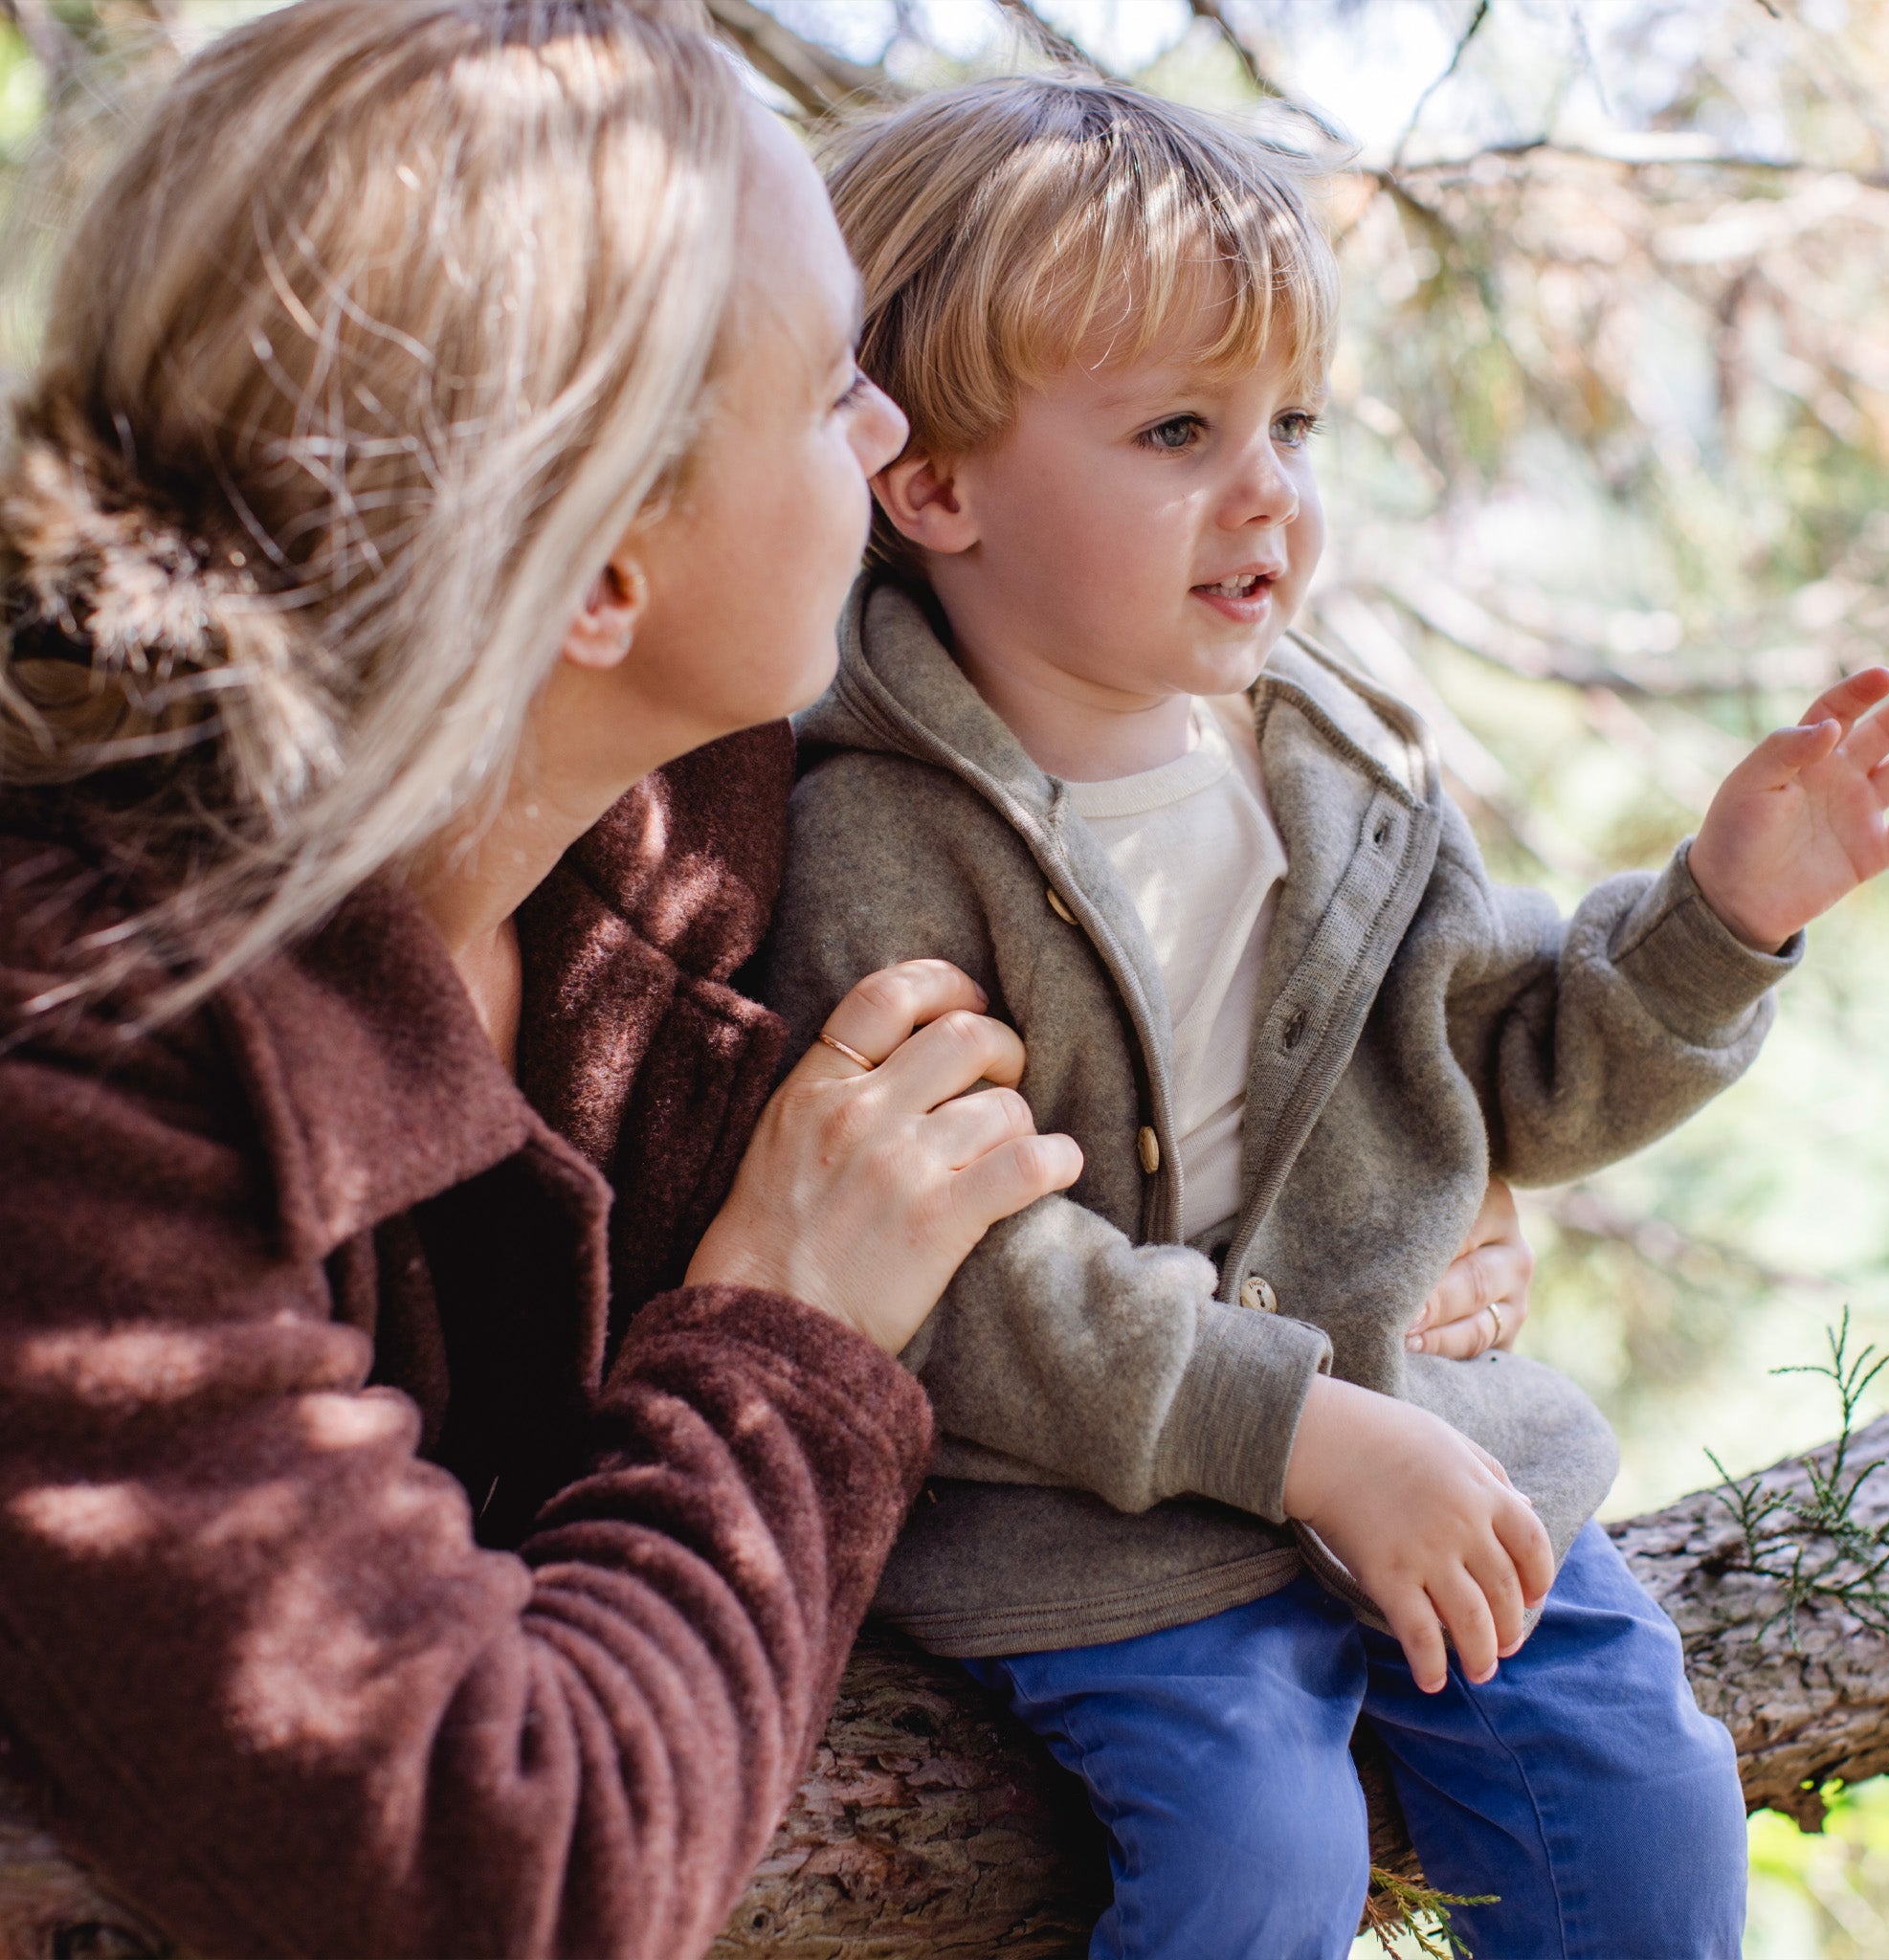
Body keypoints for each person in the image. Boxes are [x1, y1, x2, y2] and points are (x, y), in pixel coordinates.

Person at [763, 74, 1889, 1960]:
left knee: (1641, 1808)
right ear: (930, 482)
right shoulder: (878, 831)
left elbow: (1506, 1079)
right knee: (1254, 1865)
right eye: (1177, 429)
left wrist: (1719, 917)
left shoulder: (1344, 759)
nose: (1270, 494)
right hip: (1098, 1523)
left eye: (1292, 424)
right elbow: (967, 1272)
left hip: (1426, 1438)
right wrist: (1302, 1434)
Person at [0, 6, 1105, 1955]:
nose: (884, 435)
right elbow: (495, 1870)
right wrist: (786, 1335)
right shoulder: (74, 1080)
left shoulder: (673, 774)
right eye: (829, 387)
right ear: (598, 567)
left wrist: (1423, 1175)